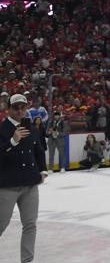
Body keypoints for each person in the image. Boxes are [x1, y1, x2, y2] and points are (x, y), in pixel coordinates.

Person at [0, 93, 47, 263]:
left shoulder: (33, 130)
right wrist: (13, 141)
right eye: (16, 107)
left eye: (23, 107)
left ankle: (27, 261)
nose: (20, 111)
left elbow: (39, 152)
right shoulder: (2, 129)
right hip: (7, 186)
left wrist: (43, 171)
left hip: (30, 185)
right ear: (8, 109)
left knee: (30, 225)